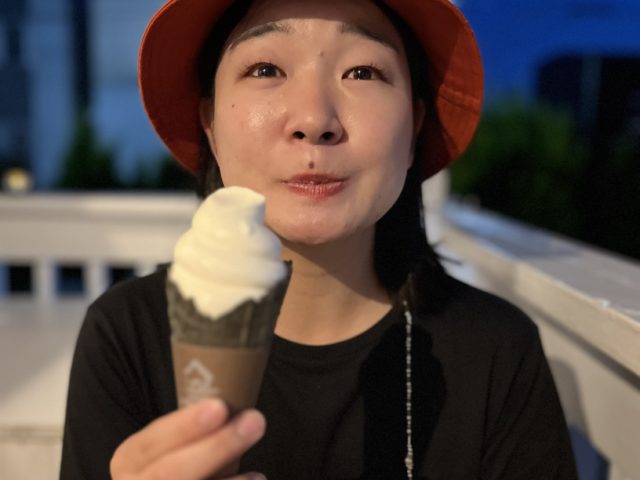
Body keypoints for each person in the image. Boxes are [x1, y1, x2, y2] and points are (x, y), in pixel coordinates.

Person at [61, 0, 578, 479]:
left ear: (414, 130)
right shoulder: (127, 335)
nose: (314, 120)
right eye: (266, 69)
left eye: (363, 72)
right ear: (210, 125)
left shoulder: (496, 352)